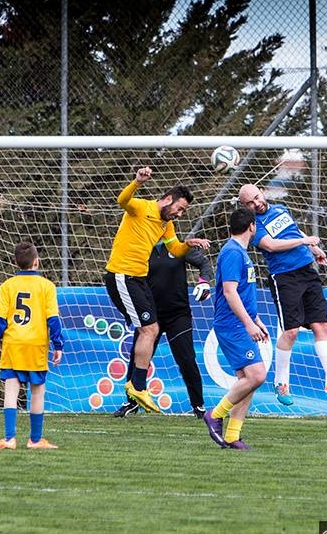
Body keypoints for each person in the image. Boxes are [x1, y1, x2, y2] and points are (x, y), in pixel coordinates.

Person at [104, 166, 210, 414]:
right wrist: (137, 182)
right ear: (168, 199)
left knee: (148, 331)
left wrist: (188, 245)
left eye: (184, 211)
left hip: (138, 280)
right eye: (180, 208)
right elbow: (122, 200)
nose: (180, 214)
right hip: (122, 275)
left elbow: (175, 250)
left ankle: (138, 388)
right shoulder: (141, 207)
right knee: (148, 330)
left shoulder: (166, 225)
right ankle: (137, 388)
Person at [237, 184, 327, 405]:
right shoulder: (253, 225)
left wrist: (313, 249)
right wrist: (305, 241)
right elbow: (270, 245)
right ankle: (281, 383)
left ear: (262, 191)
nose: (256, 204)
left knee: (321, 325)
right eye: (250, 203)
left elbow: (295, 231)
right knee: (291, 332)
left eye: (256, 198)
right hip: (284, 277)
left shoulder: (281, 208)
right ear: (245, 206)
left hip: (307, 272)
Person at [112, 241, 213, 418]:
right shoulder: (140, 248)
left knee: (187, 360)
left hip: (178, 315)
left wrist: (204, 282)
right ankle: (131, 403)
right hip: (150, 316)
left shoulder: (177, 246)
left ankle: (198, 406)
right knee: (137, 359)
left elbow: (204, 263)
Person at [203, 209, 269, 450]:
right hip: (233, 325)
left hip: (241, 322)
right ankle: (215, 415)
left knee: (248, 380)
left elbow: (241, 293)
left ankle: (232, 435)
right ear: (251, 226)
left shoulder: (239, 252)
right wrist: (249, 324)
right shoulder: (232, 252)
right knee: (257, 375)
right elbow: (229, 292)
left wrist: (256, 319)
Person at [0, 241, 64, 450]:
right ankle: (35, 440)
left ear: (16, 262)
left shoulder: (7, 286)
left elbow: (0, 320)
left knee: (11, 391)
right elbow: (53, 320)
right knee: (37, 392)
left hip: (13, 344)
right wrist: (58, 345)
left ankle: (10, 439)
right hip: (36, 345)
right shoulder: (47, 286)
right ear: (36, 262)